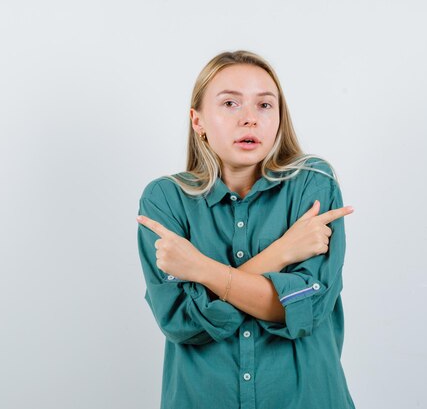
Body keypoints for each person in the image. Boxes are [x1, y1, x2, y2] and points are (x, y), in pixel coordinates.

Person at [136, 50, 356, 409]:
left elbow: (305, 310)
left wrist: (200, 270)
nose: (250, 119)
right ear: (198, 121)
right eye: (230, 104)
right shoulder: (165, 200)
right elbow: (182, 322)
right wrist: (282, 253)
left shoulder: (313, 184)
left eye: (265, 105)